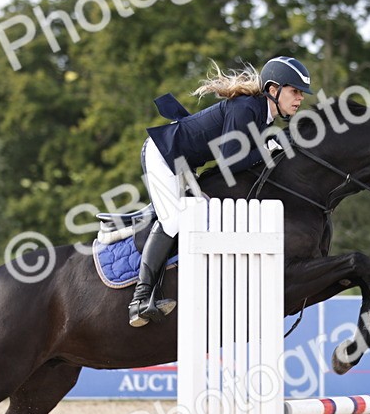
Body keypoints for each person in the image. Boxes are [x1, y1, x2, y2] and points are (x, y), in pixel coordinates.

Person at [129, 56, 309, 327]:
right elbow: (230, 161)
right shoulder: (247, 108)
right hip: (163, 154)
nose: (300, 98)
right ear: (274, 90)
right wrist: (266, 149)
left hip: (186, 164)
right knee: (174, 220)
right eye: (295, 91)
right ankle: (140, 298)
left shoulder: (264, 117)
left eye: (301, 93)